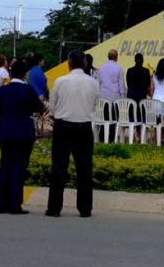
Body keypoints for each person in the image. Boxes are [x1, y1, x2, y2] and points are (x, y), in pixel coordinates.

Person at [47, 51, 100, 218]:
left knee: (58, 168)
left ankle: (54, 208)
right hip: (84, 127)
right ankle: (85, 209)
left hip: (62, 127)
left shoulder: (60, 81)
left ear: (68, 64)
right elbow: (94, 106)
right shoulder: (93, 83)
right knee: (84, 170)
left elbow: (52, 109)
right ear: (85, 64)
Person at [0, 60, 43, 214]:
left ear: (11, 73)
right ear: (25, 74)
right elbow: (39, 107)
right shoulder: (28, 90)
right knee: (19, 168)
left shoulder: (2, 91)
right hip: (23, 133)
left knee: (5, 166)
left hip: (6, 132)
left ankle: (1, 204)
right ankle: (15, 204)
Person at [97, 49, 125, 119]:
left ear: (108, 57)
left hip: (103, 96)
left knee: (105, 116)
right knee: (114, 117)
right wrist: (123, 97)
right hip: (115, 97)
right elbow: (121, 85)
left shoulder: (102, 67)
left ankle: (104, 129)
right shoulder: (119, 68)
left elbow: (98, 82)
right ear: (116, 57)